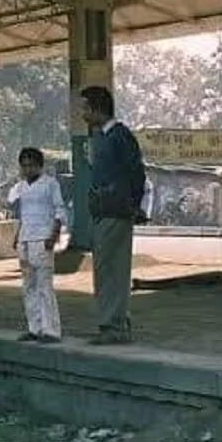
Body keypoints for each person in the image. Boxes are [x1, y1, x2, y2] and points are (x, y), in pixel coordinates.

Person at [80, 86, 146, 345]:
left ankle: (113, 327)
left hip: (116, 210)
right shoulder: (102, 138)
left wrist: (133, 205)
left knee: (113, 271)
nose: (83, 114)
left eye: (85, 108)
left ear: (97, 108)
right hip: (103, 210)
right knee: (106, 269)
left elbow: (136, 173)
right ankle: (115, 322)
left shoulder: (120, 136)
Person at [7, 147, 67, 344]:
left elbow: (59, 211)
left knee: (44, 286)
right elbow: (22, 213)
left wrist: (54, 235)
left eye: (31, 165)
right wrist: (17, 236)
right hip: (25, 239)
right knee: (28, 286)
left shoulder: (50, 184)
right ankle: (34, 328)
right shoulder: (21, 187)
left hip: (43, 238)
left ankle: (51, 330)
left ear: (40, 165)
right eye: (24, 165)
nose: (27, 169)